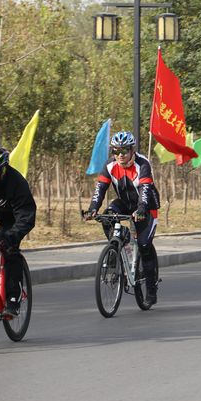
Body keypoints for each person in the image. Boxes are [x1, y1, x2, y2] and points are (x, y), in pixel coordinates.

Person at [85, 131, 161, 305]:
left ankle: (151, 290)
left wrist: (141, 209)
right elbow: (100, 189)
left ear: (132, 150)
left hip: (147, 206)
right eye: (116, 151)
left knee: (144, 245)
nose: (120, 155)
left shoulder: (143, 164)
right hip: (124, 203)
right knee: (107, 216)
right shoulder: (110, 165)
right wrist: (92, 209)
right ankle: (118, 243)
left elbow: (145, 191)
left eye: (124, 151)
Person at [0, 146, 36, 317]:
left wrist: (10, 236)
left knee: (9, 249)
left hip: (12, 217)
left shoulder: (17, 183)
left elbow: (26, 216)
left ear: (2, 170)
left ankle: (13, 299)